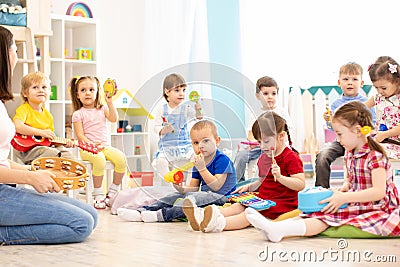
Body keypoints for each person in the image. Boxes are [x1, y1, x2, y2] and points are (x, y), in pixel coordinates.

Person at [246, 101, 400, 242]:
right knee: (318, 212)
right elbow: (351, 180)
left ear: (358, 131)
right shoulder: (350, 153)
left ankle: (279, 230)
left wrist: (345, 196)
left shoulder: (375, 157)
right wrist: (344, 187)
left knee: (326, 218)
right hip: (355, 199)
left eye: (339, 134)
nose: (338, 140)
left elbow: (379, 192)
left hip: (378, 206)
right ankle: (277, 228)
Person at [0, 25, 97, 245]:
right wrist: (31, 177)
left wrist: (36, 169)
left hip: (6, 186)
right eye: (15, 49)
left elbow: (2, 160)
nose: (16, 55)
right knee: (81, 224)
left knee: (91, 215)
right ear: (4, 55)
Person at [183, 112, 305, 233]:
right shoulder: (265, 157)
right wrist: (249, 187)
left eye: (266, 141)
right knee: (239, 205)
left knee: (250, 213)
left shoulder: (290, 157)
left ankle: (217, 224)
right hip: (265, 198)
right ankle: (203, 215)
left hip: (282, 202)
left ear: (281, 136)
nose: (262, 146)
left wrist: (280, 177)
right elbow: (263, 181)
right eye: (259, 142)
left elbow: (300, 184)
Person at [117, 120, 237, 224]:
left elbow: (216, 186)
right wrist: (182, 189)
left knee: (190, 200)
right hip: (203, 196)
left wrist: (202, 168)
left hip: (223, 197)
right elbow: (193, 188)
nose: (200, 146)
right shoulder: (199, 161)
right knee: (175, 196)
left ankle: (161, 215)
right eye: (196, 142)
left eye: (205, 141)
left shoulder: (222, 160)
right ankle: (143, 210)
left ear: (217, 141)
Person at [315, 62, 376, 188]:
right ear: (339, 83)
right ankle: (321, 191)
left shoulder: (367, 103)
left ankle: (364, 190)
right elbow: (334, 129)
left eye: (354, 79)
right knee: (322, 156)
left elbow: (372, 124)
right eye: (346, 79)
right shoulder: (336, 104)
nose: (350, 82)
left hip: (361, 143)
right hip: (341, 142)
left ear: (361, 83)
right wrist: (329, 121)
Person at [70, 76, 127, 209]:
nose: (88, 93)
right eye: (83, 90)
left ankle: (112, 192)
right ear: (77, 95)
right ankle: (98, 194)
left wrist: (110, 102)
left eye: (91, 89)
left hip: (104, 146)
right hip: (86, 149)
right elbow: (80, 135)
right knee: (99, 160)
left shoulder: (102, 109)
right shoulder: (78, 114)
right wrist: (91, 145)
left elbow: (113, 119)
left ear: (97, 93)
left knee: (121, 159)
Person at [234, 76, 294, 182]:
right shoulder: (255, 113)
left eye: (273, 93)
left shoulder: (282, 112)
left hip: (277, 145)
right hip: (260, 146)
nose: (270, 97)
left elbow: (286, 132)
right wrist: (256, 143)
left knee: (265, 158)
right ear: (258, 96)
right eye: (265, 94)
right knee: (241, 155)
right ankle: (238, 182)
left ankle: (264, 182)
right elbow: (251, 134)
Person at [13, 71, 75, 164]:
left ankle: (69, 175)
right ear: (25, 93)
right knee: (52, 153)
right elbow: (17, 126)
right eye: (35, 87)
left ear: (49, 92)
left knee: (67, 155)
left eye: (44, 87)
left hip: (44, 147)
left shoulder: (48, 115)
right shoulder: (24, 109)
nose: (41, 90)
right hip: (26, 149)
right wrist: (40, 132)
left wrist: (63, 142)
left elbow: (48, 140)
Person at [153, 73, 202, 183]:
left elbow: (198, 117)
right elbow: (156, 127)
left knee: (195, 159)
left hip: (184, 145)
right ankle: (169, 182)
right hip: (167, 147)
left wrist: (198, 109)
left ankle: (190, 185)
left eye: (183, 90)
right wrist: (164, 130)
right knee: (161, 161)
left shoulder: (186, 108)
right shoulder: (162, 109)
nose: (181, 94)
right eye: (177, 90)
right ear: (167, 92)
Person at [365, 56, 400, 159]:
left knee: (375, 154)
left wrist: (385, 134)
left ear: (397, 82)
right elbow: (361, 107)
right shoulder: (378, 97)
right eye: (376, 87)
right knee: (362, 150)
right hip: (381, 140)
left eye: (383, 88)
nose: (379, 91)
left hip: (396, 143)